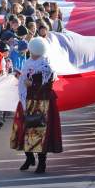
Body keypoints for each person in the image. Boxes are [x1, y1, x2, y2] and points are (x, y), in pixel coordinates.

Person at [10, 37, 63, 174]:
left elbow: (47, 86)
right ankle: (29, 157)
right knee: (23, 130)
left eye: (33, 51)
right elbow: (25, 79)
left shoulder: (46, 66)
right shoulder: (28, 62)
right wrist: (20, 77)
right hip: (27, 100)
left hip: (42, 103)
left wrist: (31, 84)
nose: (31, 53)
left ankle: (42, 162)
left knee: (39, 132)